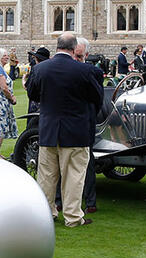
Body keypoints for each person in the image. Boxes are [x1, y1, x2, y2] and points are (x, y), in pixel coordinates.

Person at [26, 31, 104, 228]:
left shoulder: (41, 69)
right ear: (73, 48)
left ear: (57, 47)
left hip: (49, 129)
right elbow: (97, 98)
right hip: (75, 130)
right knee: (74, 176)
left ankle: (47, 213)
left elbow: (32, 94)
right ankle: (73, 216)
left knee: (47, 176)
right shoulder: (84, 71)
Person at [75, 37, 104, 215]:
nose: (77, 59)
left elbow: (98, 99)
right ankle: (59, 201)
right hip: (68, 123)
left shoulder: (93, 72)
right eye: (75, 55)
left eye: (80, 56)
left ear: (86, 55)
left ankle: (90, 201)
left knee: (87, 163)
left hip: (85, 122)